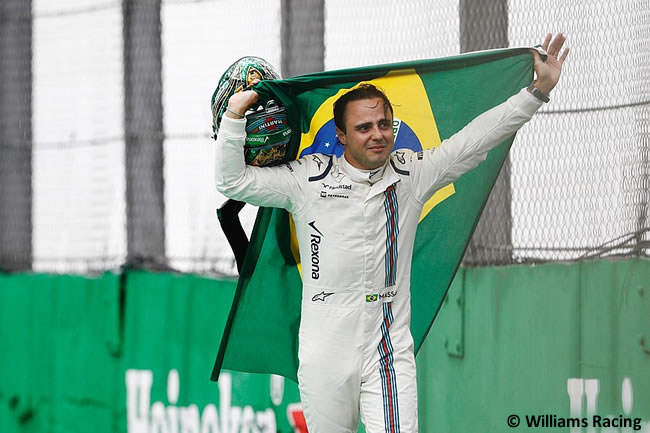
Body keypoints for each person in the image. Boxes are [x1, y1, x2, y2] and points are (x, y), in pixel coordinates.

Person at [214, 33, 569, 433]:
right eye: (364, 127)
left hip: (387, 348)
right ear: (342, 136)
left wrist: (536, 92)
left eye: (384, 123)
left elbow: (474, 141)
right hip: (324, 348)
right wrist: (233, 118)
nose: (378, 134)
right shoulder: (307, 179)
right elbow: (232, 183)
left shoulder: (411, 174)